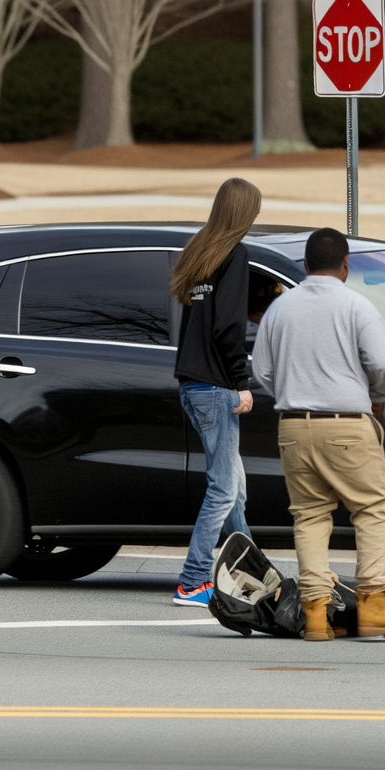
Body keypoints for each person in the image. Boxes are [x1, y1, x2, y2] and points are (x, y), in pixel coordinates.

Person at [252, 227, 385, 640]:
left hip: (293, 425)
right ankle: (373, 600)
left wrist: (293, 394)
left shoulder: (279, 309)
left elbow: (260, 369)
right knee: (370, 509)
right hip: (347, 423)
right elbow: (384, 363)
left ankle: (314, 610)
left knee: (310, 516)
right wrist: (375, 396)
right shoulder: (358, 306)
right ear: (345, 265)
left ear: (306, 265)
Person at [170, 176, 261, 607]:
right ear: (244, 212)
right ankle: (192, 581)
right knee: (223, 489)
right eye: (254, 210)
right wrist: (241, 383)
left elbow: (198, 324)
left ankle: (250, 574)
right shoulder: (234, 254)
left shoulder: (198, 251)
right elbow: (228, 327)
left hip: (191, 383)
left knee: (234, 488)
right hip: (216, 386)